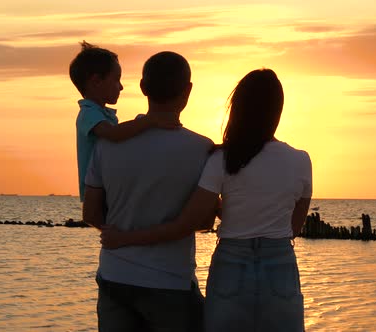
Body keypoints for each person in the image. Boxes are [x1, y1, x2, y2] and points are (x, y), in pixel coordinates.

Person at [101, 68, 312, 332]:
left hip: (232, 261)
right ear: (277, 111)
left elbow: (187, 222)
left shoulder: (222, 158)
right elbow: (293, 227)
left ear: (238, 109)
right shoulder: (301, 161)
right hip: (279, 261)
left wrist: (124, 239)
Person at [82, 51, 215, 332]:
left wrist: (122, 237)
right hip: (169, 282)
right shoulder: (202, 149)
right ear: (188, 90)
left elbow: (91, 213)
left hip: (114, 277)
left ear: (143, 88)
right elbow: (202, 222)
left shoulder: (107, 143)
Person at [69, 41, 180, 201]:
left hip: (106, 186)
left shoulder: (101, 113)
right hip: (96, 192)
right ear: (96, 81)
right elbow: (114, 135)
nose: (121, 87)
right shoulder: (88, 113)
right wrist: (150, 120)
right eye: (116, 80)